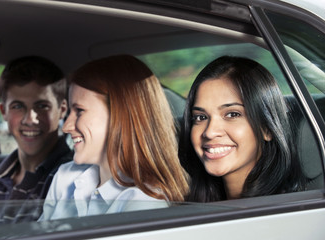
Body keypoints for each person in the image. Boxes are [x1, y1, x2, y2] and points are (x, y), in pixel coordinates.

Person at [40, 55, 189, 220]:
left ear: (121, 116)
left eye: (79, 111)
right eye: (69, 112)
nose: (67, 126)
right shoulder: (65, 177)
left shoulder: (144, 205)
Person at [178, 56, 307, 202]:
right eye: (201, 117)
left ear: (267, 128)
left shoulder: (284, 211)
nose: (210, 132)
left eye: (232, 114)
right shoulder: (195, 205)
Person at [0, 56, 73, 225]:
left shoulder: (72, 181)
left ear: (62, 109)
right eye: (18, 106)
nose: (30, 119)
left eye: (42, 106)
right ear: (4, 111)